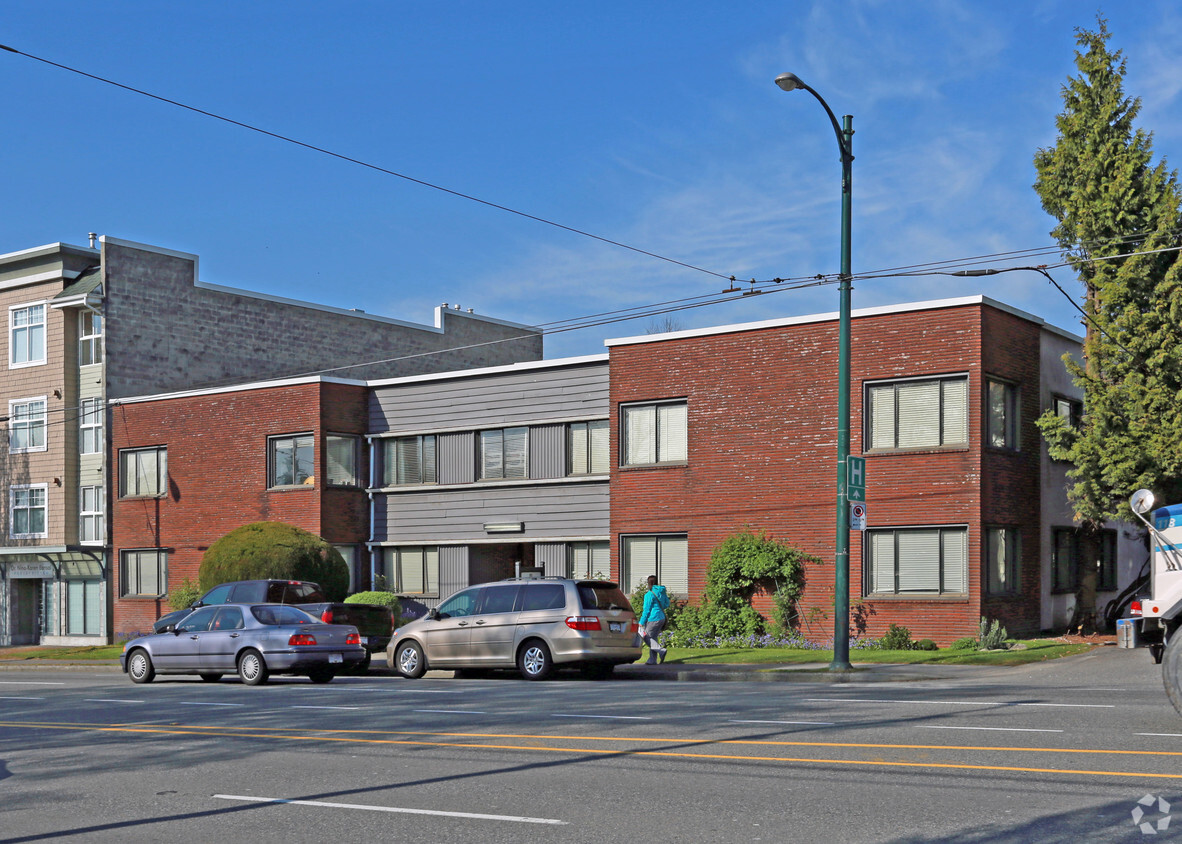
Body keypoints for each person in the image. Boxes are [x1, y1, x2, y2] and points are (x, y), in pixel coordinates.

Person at [638, 574, 670, 665]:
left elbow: (646, 610)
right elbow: (667, 604)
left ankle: (661, 650)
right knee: (653, 638)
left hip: (653, 619)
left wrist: (641, 622)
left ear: (648, 583)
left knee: (646, 637)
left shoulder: (649, 595)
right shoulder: (662, 592)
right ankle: (652, 660)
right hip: (661, 618)